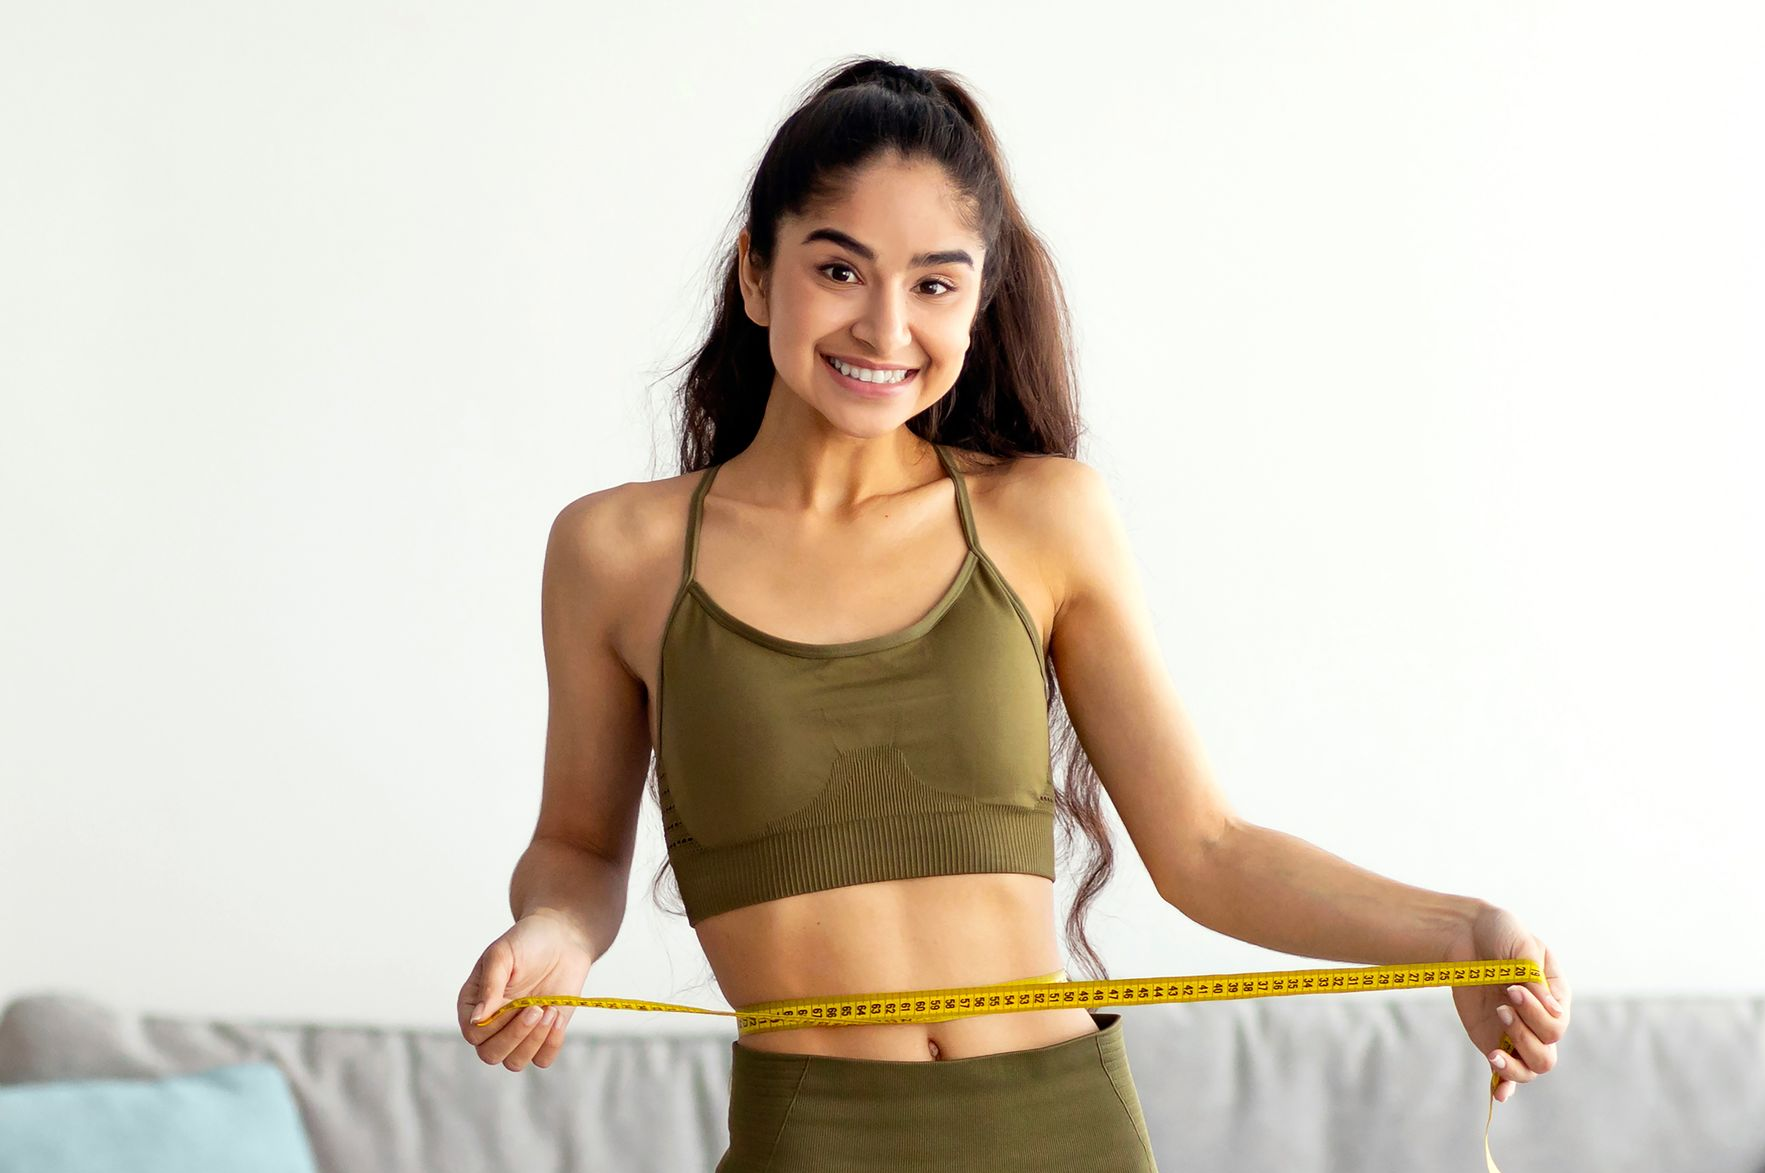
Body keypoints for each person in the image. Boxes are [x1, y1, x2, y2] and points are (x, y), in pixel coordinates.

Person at [457, 56, 1571, 1171]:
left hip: (1062, 1134)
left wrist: (1462, 938)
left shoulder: (1042, 518)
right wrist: (555, 934)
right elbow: (576, 846)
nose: (886, 328)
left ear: (978, 305)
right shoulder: (617, 553)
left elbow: (1208, 851)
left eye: (935, 285)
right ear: (757, 274)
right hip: (812, 1140)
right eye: (839, 269)